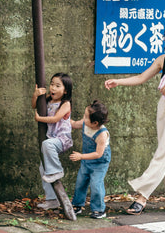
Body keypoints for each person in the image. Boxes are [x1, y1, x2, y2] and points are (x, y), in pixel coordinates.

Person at [104, 19, 165, 215]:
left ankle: (142, 196)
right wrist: (118, 81)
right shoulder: (162, 59)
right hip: (164, 106)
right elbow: (141, 77)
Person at [31, 73, 74, 210]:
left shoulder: (65, 104)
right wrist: (35, 95)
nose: (53, 88)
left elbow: (55, 119)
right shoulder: (48, 99)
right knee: (43, 167)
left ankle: (56, 170)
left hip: (62, 139)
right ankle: (51, 200)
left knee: (46, 144)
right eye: (51, 84)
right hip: (52, 138)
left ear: (65, 90)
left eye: (57, 86)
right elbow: (34, 106)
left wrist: (40, 119)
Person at [69, 100, 111, 219]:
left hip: (99, 162)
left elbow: (98, 153)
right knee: (80, 182)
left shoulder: (102, 134)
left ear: (95, 122)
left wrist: (81, 156)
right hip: (87, 160)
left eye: (86, 117)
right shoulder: (86, 123)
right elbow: (74, 124)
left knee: (96, 185)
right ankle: (77, 205)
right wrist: (64, 118)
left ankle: (99, 209)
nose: (83, 118)